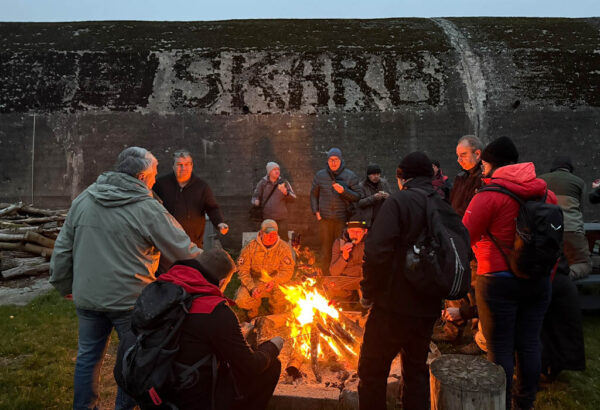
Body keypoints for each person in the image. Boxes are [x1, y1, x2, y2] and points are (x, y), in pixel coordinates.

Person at [50, 147, 203, 410]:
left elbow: (63, 248)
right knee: (133, 362)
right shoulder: (147, 208)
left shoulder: (85, 199)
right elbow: (183, 250)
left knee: (88, 358)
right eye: (154, 174)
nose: (156, 179)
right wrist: (215, 267)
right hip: (129, 302)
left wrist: (64, 284)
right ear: (143, 177)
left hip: (88, 297)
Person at [462, 136, 555, 410]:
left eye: (485, 165)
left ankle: (499, 404)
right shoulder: (545, 193)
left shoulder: (488, 196)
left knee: (499, 348)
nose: (482, 171)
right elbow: (553, 240)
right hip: (537, 281)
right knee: (528, 343)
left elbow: (464, 234)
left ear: (492, 165)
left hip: (496, 282)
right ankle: (524, 403)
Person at [358, 152, 442, 410]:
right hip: (428, 305)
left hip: (393, 305)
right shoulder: (441, 203)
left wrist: (368, 292)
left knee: (372, 371)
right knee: (416, 371)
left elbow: (376, 252)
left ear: (402, 177)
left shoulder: (398, 202)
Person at [159, 249, 283, 410]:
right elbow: (251, 366)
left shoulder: (162, 290)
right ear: (223, 281)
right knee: (271, 366)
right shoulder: (215, 311)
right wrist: (272, 346)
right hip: (192, 398)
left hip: (157, 389)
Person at [435, 135, 484, 347]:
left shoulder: (484, 179)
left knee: (474, 289)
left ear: (477, 153)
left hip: (474, 242)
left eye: (463, 155)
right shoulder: (462, 178)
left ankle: (476, 336)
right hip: (456, 239)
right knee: (455, 284)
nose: (459, 160)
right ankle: (451, 331)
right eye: (457, 156)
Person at [154, 149, 229, 249]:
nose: (183, 168)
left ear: (191, 166)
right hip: (167, 243)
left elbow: (212, 208)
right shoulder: (160, 185)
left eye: (187, 164)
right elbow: (151, 207)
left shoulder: (202, 187)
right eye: (179, 164)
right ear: (173, 166)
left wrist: (219, 222)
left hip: (193, 244)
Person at [310, 147, 361, 274]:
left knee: (339, 248)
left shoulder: (349, 176)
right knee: (325, 249)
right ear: (327, 161)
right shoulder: (320, 175)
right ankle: (325, 277)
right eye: (331, 160)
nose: (333, 162)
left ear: (341, 160)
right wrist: (316, 212)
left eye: (336, 159)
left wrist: (343, 191)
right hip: (325, 219)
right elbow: (313, 194)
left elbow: (357, 196)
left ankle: (337, 275)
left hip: (341, 218)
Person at [540, 157, 592, 279]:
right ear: (570, 169)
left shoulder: (541, 180)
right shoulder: (579, 182)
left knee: (546, 262)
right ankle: (566, 276)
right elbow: (580, 210)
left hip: (547, 231)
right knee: (584, 264)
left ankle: (551, 278)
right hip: (572, 230)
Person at [234, 219, 295, 320]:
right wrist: (252, 287)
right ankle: (253, 312)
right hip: (255, 281)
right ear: (261, 233)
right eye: (268, 234)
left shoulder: (283, 248)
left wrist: (274, 281)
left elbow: (287, 270)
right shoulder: (250, 247)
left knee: (285, 295)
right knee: (242, 299)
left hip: (275, 281)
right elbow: (243, 270)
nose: (272, 237)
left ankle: (275, 312)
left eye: (274, 234)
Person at [323, 220, 368, 302]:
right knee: (329, 283)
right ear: (347, 230)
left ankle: (366, 304)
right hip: (347, 279)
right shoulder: (339, 243)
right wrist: (344, 257)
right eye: (352, 231)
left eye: (358, 232)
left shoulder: (370, 243)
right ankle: (347, 298)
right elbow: (333, 272)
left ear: (365, 231)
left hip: (365, 278)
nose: (355, 235)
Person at [251, 161, 296, 240]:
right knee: (268, 239)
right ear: (269, 172)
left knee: (283, 239)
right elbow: (255, 196)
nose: (277, 171)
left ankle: (283, 252)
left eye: (278, 169)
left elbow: (293, 198)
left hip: (281, 217)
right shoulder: (262, 183)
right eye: (274, 169)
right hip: (267, 218)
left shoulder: (284, 182)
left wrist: (286, 193)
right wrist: (256, 201)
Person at [357, 164, 391, 228]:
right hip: (369, 221)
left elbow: (392, 198)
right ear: (368, 175)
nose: (376, 176)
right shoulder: (362, 186)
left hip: (383, 219)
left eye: (378, 174)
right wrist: (373, 198)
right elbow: (359, 203)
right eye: (373, 174)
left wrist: (388, 197)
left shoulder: (384, 183)